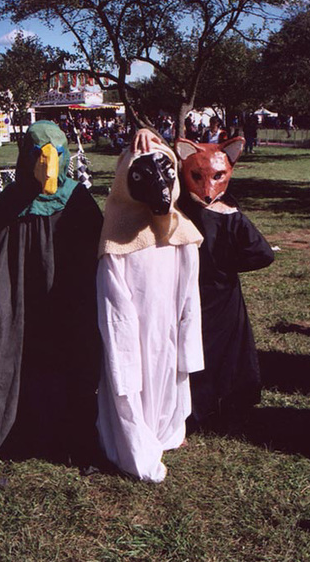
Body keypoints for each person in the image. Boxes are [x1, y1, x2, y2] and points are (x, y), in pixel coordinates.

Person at [0, 120, 103, 486]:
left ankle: (74, 437)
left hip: (66, 298)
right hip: (19, 300)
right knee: (16, 351)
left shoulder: (75, 199)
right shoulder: (13, 202)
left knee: (70, 352)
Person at [133, 129, 274, 430]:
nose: (208, 189)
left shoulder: (215, 213)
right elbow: (262, 254)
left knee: (204, 348)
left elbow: (262, 254)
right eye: (197, 177)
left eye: (217, 177)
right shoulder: (198, 212)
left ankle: (211, 404)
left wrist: (227, 266)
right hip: (201, 293)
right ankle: (207, 404)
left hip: (206, 293)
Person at [96, 141, 204, 482]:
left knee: (168, 366)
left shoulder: (180, 230)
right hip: (134, 326)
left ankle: (168, 428)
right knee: (134, 375)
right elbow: (114, 303)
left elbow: (188, 289)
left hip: (167, 324)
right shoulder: (117, 236)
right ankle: (135, 436)